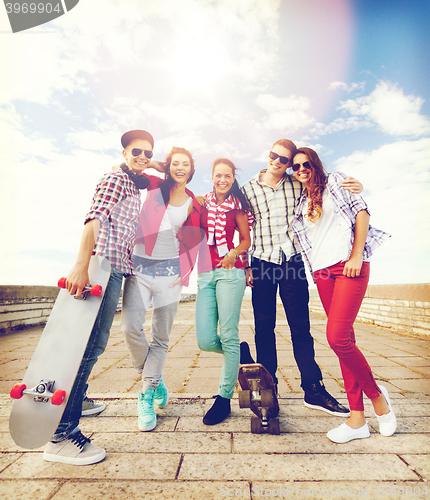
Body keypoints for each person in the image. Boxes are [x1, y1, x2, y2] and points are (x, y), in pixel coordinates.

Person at [43, 129, 156, 465]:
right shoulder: (115, 179)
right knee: (89, 346)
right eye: (136, 152)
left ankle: (78, 400)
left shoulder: (134, 180)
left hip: (113, 267)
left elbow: (152, 175)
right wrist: (81, 265)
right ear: (123, 153)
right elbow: (93, 219)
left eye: (148, 153)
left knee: (87, 343)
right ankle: (61, 434)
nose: (143, 158)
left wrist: (150, 161)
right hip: (101, 268)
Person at [240, 139, 363, 417]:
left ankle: (313, 388)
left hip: (292, 260)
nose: (278, 162)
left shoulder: (296, 182)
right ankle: (268, 390)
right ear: (268, 154)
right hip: (262, 261)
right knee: (264, 328)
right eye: (275, 156)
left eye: (284, 160)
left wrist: (357, 186)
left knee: (301, 328)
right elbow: (239, 222)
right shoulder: (248, 188)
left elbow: (323, 181)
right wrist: (246, 265)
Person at [291, 147, 396, 443]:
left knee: (336, 337)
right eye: (296, 166)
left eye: (306, 164)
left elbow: (361, 212)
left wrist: (356, 255)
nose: (301, 169)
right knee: (344, 340)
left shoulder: (336, 181)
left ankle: (377, 398)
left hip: (349, 265)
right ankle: (357, 419)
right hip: (322, 272)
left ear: (315, 164)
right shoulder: (301, 201)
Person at [121, 147, 204, 432]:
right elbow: (128, 170)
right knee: (130, 328)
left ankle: (146, 394)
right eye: (175, 163)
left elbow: (193, 240)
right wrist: (158, 164)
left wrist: (184, 273)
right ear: (169, 166)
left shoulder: (195, 202)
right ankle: (155, 378)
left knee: (161, 336)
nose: (180, 168)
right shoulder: (155, 184)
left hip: (170, 272)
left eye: (186, 164)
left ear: (191, 170)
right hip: (140, 267)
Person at [195, 158, 253, 425]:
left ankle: (224, 398)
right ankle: (239, 353)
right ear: (212, 176)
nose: (222, 180)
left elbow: (246, 240)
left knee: (228, 334)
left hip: (231, 272)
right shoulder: (202, 202)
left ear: (232, 178)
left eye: (227, 176)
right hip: (205, 273)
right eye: (218, 175)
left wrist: (232, 255)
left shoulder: (238, 207)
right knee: (205, 340)